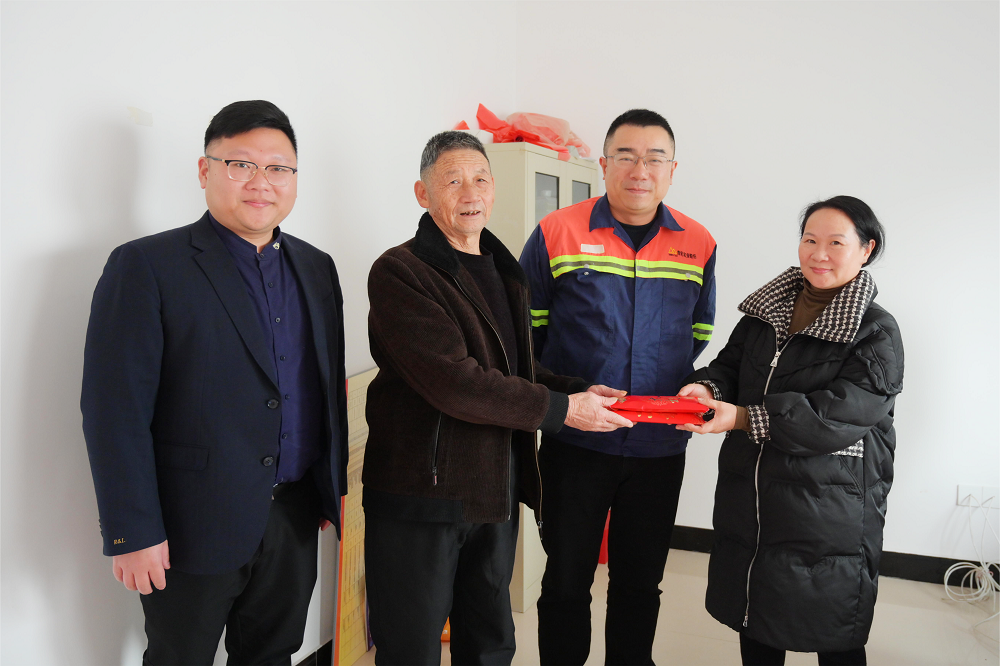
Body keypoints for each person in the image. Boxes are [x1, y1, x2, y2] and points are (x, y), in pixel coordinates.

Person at [81, 100, 348, 665]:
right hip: (191, 523)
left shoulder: (316, 267)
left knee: (274, 654)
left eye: (278, 168)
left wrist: (328, 488)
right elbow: (114, 411)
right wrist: (132, 531)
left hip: (294, 515)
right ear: (205, 171)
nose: (261, 182)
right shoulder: (147, 265)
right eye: (241, 164)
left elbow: (324, 389)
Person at [363, 130, 633, 666]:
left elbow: (517, 369)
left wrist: (575, 390)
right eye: (453, 181)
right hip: (423, 495)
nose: (471, 193)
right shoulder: (400, 271)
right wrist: (563, 411)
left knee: (490, 643)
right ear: (423, 193)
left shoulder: (503, 267)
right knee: (411, 647)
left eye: (481, 179)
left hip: (495, 489)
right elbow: (455, 382)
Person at [519, 108, 717, 665]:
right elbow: (527, 332)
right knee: (566, 578)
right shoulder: (557, 232)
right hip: (577, 440)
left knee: (640, 581)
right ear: (603, 165)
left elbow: (698, 332)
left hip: (658, 446)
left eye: (655, 158)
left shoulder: (698, 242)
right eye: (625, 156)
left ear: (672, 170)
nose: (640, 170)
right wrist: (569, 397)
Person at [677, 196, 903, 666]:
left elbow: (837, 415)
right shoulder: (766, 313)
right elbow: (731, 366)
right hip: (753, 494)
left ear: (866, 249)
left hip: (829, 506)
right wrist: (707, 387)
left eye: (836, 243)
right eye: (810, 240)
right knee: (756, 617)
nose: (819, 254)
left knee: (834, 629)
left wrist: (744, 418)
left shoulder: (875, 331)